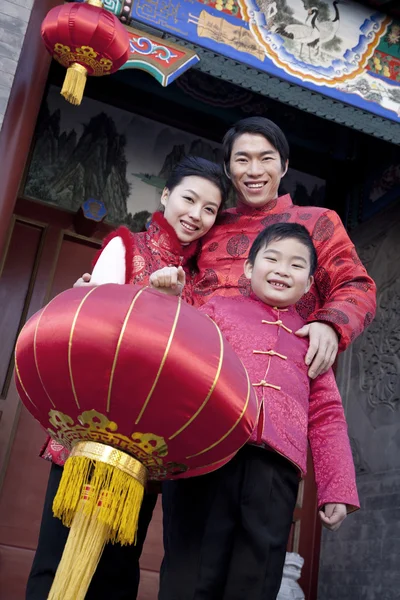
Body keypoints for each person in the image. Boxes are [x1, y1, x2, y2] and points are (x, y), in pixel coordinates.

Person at [26, 156, 228, 600]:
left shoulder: (202, 284)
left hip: (146, 451)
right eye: (189, 199)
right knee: (59, 559)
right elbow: (89, 328)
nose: (196, 215)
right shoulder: (126, 246)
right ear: (165, 195)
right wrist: (150, 297)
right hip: (92, 432)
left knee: (117, 571)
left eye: (209, 209)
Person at [155, 223, 360, 600]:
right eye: (272, 258)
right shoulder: (215, 310)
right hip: (207, 457)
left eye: (297, 265)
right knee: (190, 573)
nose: (283, 269)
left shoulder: (312, 338)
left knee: (256, 578)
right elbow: (176, 361)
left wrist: (336, 488)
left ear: (309, 281)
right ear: (248, 269)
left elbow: (327, 415)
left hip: (274, 472)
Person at [194, 117, 376, 379]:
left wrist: (329, 324)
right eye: (243, 160)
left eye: (266, 159)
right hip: (201, 363)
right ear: (227, 167)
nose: (254, 171)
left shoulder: (318, 222)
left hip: (280, 373)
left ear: (284, 166)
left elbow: (357, 285)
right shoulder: (210, 223)